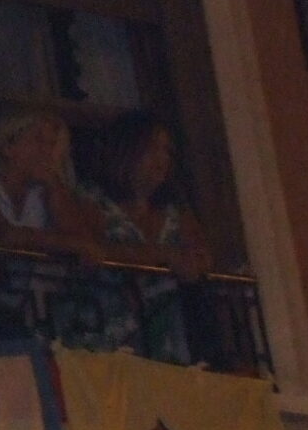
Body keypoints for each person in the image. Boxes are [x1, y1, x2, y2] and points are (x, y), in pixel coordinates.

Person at [87, 112, 214, 363]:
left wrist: (193, 263)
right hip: (110, 328)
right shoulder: (93, 200)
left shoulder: (175, 209)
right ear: (127, 150)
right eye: (152, 149)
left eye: (166, 151)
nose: (162, 159)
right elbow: (93, 245)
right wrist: (165, 256)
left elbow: (202, 253)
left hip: (167, 333)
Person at [0, 107, 101, 258]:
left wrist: (55, 186)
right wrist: (67, 243)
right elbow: (2, 234)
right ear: (8, 147)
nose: (47, 152)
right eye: (38, 140)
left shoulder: (44, 190)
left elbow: (85, 242)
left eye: (51, 144)